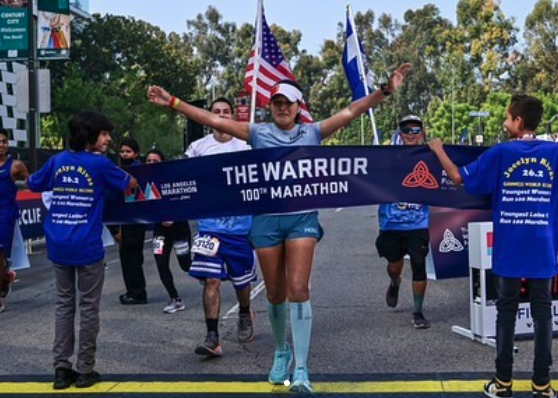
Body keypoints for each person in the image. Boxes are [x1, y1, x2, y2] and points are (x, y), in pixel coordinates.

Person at [148, 62, 410, 393]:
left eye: (288, 102)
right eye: (277, 102)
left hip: (302, 218)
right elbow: (214, 120)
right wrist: (173, 103)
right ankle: (281, 352)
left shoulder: (311, 132)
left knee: (299, 289)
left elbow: (350, 112)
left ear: (299, 108)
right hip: (266, 222)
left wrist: (384, 91)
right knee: (275, 294)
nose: (282, 107)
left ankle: (301, 368)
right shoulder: (258, 133)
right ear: (270, 106)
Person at [428, 95, 558, 398]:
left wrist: (438, 150)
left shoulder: (500, 153)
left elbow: (459, 177)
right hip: (544, 245)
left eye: (507, 116)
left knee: (506, 311)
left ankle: (502, 382)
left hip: (509, 246)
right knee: (543, 314)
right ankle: (543, 384)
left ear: (518, 122)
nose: (504, 121)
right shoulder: (555, 153)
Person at [26, 111, 137, 390]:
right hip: (87, 246)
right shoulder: (100, 164)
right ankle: (85, 370)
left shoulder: (57, 161)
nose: (108, 139)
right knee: (88, 308)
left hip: (58, 244)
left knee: (64, 305)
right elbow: (130, 184)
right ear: (89, 137)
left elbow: (33, 183)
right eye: (103, 134)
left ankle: (61, 370)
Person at [185, 97, 256, 357]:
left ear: (234, 115)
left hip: (240, 228)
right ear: (208, 117)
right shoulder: (197, 148)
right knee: (211, 280)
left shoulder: (247, 146)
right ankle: (212, 336)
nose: (222, 116)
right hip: (209, 228)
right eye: (216, 112)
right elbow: (183, 182)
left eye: (226, 112)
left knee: (241, 282)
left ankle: (245, 311)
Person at [376, 115, 431, 329]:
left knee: (419, 264)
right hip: (392, 223)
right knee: (394, 264)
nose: (410, 134)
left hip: (418, 223)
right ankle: (395, 282)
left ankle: (418, 311)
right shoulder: (387, 158)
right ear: (400, 135)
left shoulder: (429, 158)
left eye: (415, 130)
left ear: (422, 134)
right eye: (406, 130)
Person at [145, 149, 192, 314]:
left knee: (185, 264)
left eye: (155, 161)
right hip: (160, 230)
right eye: (148, 161)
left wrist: (175, 216)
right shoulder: (143, 181)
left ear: (162, 163)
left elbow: (186, 200)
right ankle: (175, 299)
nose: (150, 164)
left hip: (179, 228)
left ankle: (207, 277)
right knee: (161, 262)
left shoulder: (173, 178)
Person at [113, 138, 148, 305]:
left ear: (136, 153)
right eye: (122, 152)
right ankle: (134, 290)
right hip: (128, 220)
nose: (124, 155)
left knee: (131, 257)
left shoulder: (135, 170)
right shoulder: (122, 169)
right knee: (130, 257)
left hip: (134, 220)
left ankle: (137, 292)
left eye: (128, 152)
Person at [0, 128, 29, 313]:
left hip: (5, 217)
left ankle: (1, 292)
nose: (1, 145)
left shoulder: (15, 166)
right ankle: (5, 277)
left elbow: (33, 182)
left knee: (1, 258)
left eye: (3, 141)